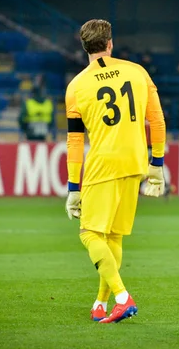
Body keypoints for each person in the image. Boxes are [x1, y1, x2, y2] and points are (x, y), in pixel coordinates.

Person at [64, 19, 166, 324]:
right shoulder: (138, 72)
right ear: (110, 43)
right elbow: (157, 122)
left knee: (89, 233)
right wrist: (156, 166)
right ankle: (101, 302)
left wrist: (73, 187)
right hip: (135, 163)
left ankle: (123, 298)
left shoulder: (77, 87)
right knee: (114, 237)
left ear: (84, 48)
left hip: (102, 165)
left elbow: (74, 141)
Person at [19, 75, 54, 141]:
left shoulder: (28, 103)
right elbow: (52, 120)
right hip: (44, 132)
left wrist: (24, 128)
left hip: (30, 132)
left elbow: (21, 119)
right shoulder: (48, 103)